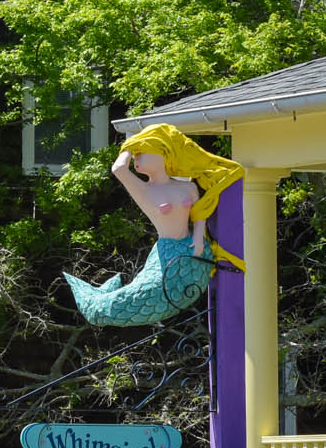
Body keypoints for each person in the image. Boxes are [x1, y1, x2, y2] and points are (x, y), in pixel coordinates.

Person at [62, 123, 244, 327]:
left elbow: (198, 214)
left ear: (162, 153)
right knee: (140, 298)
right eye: (135, 155)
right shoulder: (145, 190)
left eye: (141, 154)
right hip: (166, 252)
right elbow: (119, 169)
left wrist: (198, 238)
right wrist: (129, 147)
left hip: (191, 249)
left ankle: (104, 297)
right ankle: (96, 302)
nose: (136, 161)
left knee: (171, 294)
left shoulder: (188, 186)